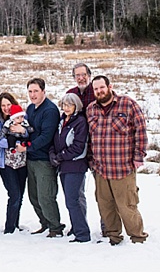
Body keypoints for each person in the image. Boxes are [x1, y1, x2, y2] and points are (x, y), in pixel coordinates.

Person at [87, 75, 149, 245]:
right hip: (101, 169)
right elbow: (90, 138)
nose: (99, 91)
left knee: (127, 205)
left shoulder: (127, 104)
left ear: (109, 86)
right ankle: (114, 236)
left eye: (102, 87)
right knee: (105, 206)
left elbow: (141, 131)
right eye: (96, 89)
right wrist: (91, 160)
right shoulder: (91, 109)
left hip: (122, 167)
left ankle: (137, 237)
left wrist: (139, 156)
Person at [14, 77, 64, 237]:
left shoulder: (50, 110)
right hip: (31, 159)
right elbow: (29, 130)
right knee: (33, 195)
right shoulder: (30, 109)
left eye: (36, 91)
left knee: (45, 196)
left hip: (44, 160)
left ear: (43, 91)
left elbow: (46, 137)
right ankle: (45, 223)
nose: (33, 94)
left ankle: (55, 226)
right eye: (30, 91)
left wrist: (26, 146)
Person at [50, 93, 91, 243]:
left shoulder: (80, 122)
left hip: (76, 165)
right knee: (70, 199)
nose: (66, 108)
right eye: (64, 105)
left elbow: (78, 146)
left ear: (76, 106)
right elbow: (56, 140)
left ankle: (82, 233)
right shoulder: (62, 121)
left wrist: (60, 156)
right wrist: (52, 154)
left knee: (73, 200)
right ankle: (76, 227)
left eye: (69, 105)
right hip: (64, 166)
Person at [0, 92, 28, 234]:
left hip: (22, 161)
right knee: (14, 194)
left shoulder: (21, 117)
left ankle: (15, 223)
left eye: (8, 104)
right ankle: (9, 228)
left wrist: (23, 131)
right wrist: (13, 143)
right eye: (3, 106)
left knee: (20, 194)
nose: (6, 108)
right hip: (6, 162)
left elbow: (29, 133)